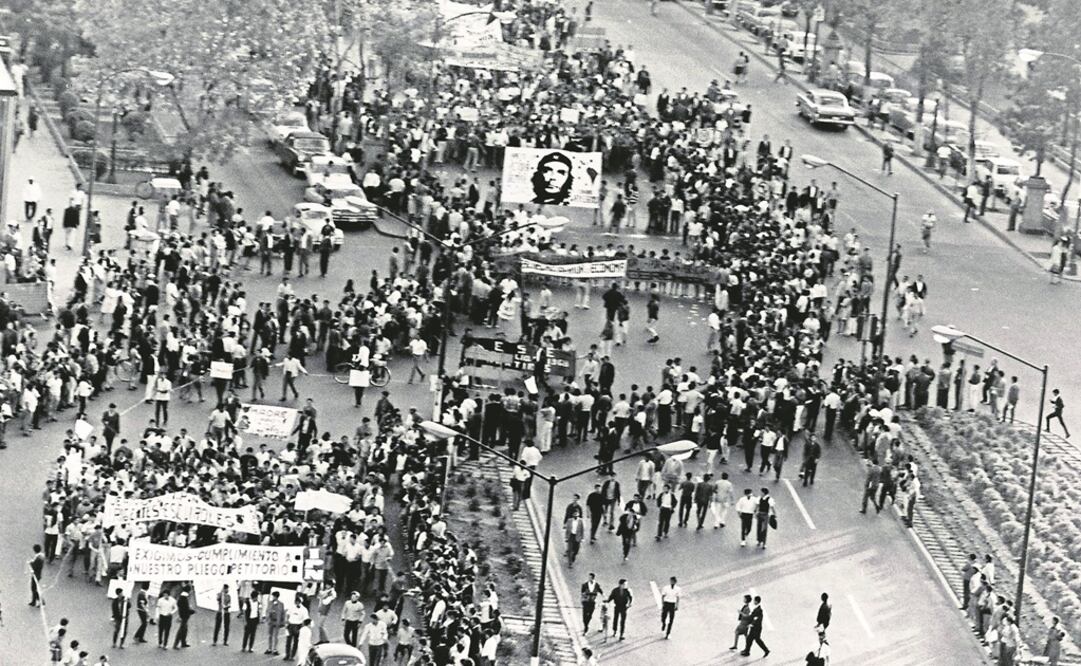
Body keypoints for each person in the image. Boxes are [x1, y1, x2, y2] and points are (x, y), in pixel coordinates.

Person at [265, 590, 286, 655]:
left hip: (277, 621)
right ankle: (269, 648)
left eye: (274, 596)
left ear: (277, 597)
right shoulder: (270, 603)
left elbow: (282, 613)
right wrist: (268, 616)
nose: (273, 597)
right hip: (271, 620)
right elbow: (267, 611)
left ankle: (275, 649)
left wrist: (282, 622)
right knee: (270, 635)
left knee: (276, 636)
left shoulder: (281, 604)